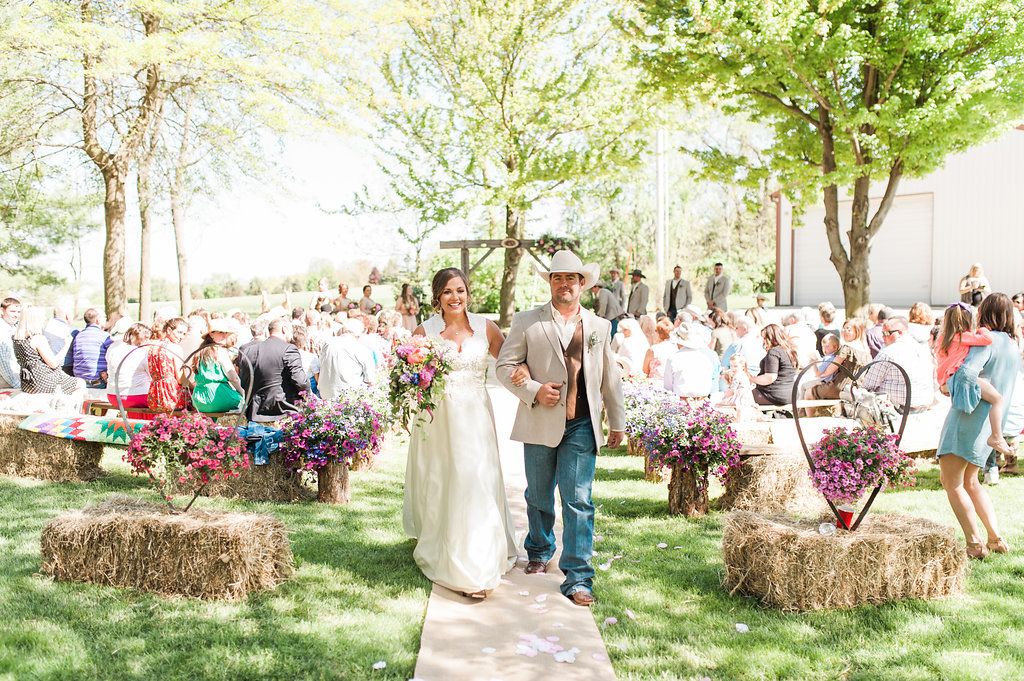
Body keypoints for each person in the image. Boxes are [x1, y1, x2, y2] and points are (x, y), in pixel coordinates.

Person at [497, 251, 625, 607]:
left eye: (571, 278)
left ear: (582, 283)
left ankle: (579, 576)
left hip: (582, 424)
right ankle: (539, 550)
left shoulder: (599, 327)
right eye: (557, 278)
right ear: (550, 283)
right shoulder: (527, 321)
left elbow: (610, 378)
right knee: (538, 496)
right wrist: (533, 389)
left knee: (578, 500)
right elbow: (505, 366)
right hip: (539, 419)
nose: (564, 284)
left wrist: (617, 422)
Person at [404, 267, 518, 599]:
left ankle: (478, 565)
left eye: (460, 290)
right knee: (445, 480)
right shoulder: (425, 331)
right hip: (438, 419)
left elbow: (511, 360)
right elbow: (410, 375)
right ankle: (445, 543)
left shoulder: (487, 328)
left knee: (477, 480)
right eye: (447, 292)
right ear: (437, 297)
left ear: (468, 293)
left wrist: (531, 380)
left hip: (476, 417)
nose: (455, 297)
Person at [936, 293, 1018, 559]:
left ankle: (974, 545)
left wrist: (947, 387)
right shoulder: (1013, 345)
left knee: (951, 482)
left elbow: (967, 373)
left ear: (985, 312)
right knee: (971, 481)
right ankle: (995, 538)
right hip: (991, 425)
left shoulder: (987, 341)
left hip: (968, 418)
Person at [935, 302, 1013, 457]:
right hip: (957, 377)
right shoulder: (964, 337)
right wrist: (981, 327)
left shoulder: (944, 339)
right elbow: (987, 339)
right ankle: (996, 436)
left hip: (945, 381)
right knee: (997, 399)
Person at [237, 318, 308, 423]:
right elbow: (301, 381)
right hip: (283, 410)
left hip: (254, 411)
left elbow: (243, 381)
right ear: (284, 329)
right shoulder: (288, 349)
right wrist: (310, 397)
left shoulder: (249, 350)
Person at [861, 316, 935, 413]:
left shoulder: (888, 353)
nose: (883, 337)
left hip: (898, 411)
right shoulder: (922, 349)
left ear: (900, 332)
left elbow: (868, 386)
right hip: (924, 406)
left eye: (886, 333)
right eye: (882, 333)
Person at [12, 306, 84, 395]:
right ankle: (67, 407)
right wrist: (67, 344)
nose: (44, 319)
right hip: (42, 381)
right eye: (43, 317)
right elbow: (53, 364)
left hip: (27, 382)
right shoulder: (37, 339)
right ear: (36, 319)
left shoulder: (17, 338)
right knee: (80, 383)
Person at [807, 318, 872, 401]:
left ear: (857, 331)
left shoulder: (847, 348)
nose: (844, 331)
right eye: (844, 328)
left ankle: (803, 414)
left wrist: (816, 369)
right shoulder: (866, 351)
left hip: (841, 386)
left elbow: (828, 371)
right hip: (857, 387)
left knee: (809, 393)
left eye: (848, 329)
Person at [188, 319, 244, 413]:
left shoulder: (200, 351)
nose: (224, 335)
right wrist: (242, 393)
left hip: (199, 399)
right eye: (220, 332)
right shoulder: (219, 351)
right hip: (218, 396)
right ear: (211, 334)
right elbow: (234, 378)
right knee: (245, 405)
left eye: (225, 333)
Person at [317, 318, 376, 398]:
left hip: (325, 394)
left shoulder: (328, 343)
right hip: (348, 398)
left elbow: (320, 365)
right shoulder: (362, 350)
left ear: (342, 331)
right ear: (358, 336)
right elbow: (370, 381)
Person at [663, 323, 719, 399]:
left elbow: (668, 387)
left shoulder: (673, 359)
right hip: (702, 402)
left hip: (681, 403)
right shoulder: (705, 359)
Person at [104, 323, 153, 412]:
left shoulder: (112, 349)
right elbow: (152, 376)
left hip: (113, 396)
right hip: (137, 397)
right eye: (147, 338)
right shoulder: (142, 353)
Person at [749, 323, 798, 407]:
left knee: (741, 396)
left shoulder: (774, 352)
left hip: (774, 394)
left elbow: (770, 377)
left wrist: (751, 379)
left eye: (764, 338)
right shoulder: (790, 351)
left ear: (771, 337)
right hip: (792, 394)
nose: (763, 341)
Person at [148, 318, 189, 412]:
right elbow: (180, 378)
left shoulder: (153, 346)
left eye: (184, 334)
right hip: (171, 395)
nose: (181, 337)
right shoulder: (175, 348)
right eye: (179, 332)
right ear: (169, 330)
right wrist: (192, 386)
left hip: (154, 396)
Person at [68, 308, 113, 389]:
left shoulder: (78, 336)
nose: (106, 319)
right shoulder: (104, 336)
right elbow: (114, 355)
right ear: (98, 320)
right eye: (104, 317)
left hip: (79, 382)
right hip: (98, 382)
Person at [0, 297, 22, 389]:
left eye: (18, 312)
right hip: (7, 383)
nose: (16, 315)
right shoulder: (2, 331)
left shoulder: (16, 328)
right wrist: (16, 385)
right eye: (12, 311)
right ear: (2, 311)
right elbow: (3, 362)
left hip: (18, 378)